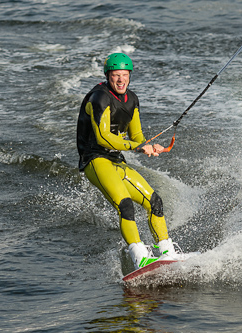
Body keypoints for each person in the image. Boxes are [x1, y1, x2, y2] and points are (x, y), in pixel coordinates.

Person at [76, 52, 177, 270]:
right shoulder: (99, 98)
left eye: (124, 75)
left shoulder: (132, 99)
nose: (121, 80)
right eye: (115, 75)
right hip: (95, 159)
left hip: (116, 161)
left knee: (155, 202)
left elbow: (137, 136)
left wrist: (150, 146)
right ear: (108, 76)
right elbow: (103, 137)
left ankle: (168, 253)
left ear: (129, 76)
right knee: (126, 205)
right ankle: (140, 257)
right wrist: (137, 146)